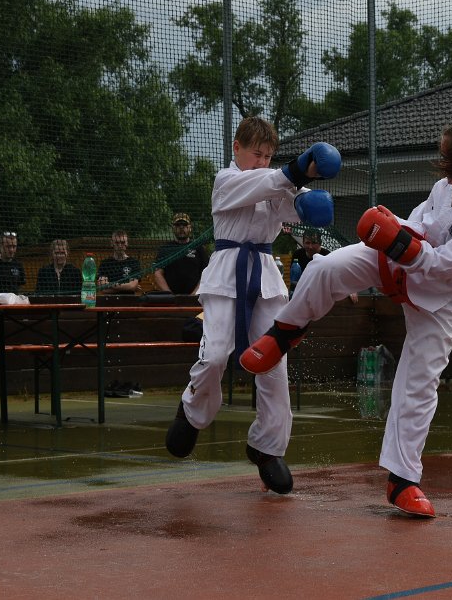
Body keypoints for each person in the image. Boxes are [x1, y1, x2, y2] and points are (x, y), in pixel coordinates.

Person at [240, 110, 452, 518]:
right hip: (398, 262)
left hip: (439, 296)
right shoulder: (445, 187)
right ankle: (284, 333)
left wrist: (397, 240)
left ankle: (402, 481)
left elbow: (441, 265)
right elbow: (420, 223)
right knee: (325, 268)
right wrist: (394, 226)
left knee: (419, 382)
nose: (445, 168)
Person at [164, 116, 341, 497]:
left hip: (264, 276)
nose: (262, 161)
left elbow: (288, 202)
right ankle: (192, 411)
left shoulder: (274, 181)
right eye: (256, 153)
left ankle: (267, 447)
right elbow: (269, 182)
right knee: (215, 355)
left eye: (268, 156)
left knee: (273, 361)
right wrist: (297, 170)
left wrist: (308, 201)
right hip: (226, 275)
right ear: (237, 148)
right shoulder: (226, 180)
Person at [290, 229, 358, 302]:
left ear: (320, 243)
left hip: (321, 295)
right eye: (307, 243)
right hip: (301, 292)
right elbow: (294, 278)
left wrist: (350, 290)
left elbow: (340, 275)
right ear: (303, 243)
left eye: (314, 243)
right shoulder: (297, 254)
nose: (310, 246)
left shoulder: (328, 256)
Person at [153, 213, 209, 295]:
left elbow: (206, 273)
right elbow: (158, 273)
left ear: (190, 227)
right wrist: (169, 294)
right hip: (171, 299)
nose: (181, 227)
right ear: (173, 228)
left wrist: (194, 294)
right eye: (178, 225)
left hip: (194, 298)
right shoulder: (165, 249)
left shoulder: (198, 248)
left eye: (184, 224)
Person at [98, 229, 140, 294]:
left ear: (127, 243)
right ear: (112, 243)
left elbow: (132, 286)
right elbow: (103, 289)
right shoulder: (105, 264)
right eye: (117, 243)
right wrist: (127, 288)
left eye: (123, 242)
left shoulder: (134, 262)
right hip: (109, 299)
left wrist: (109, 284)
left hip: (129, 299)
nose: (120, 245)